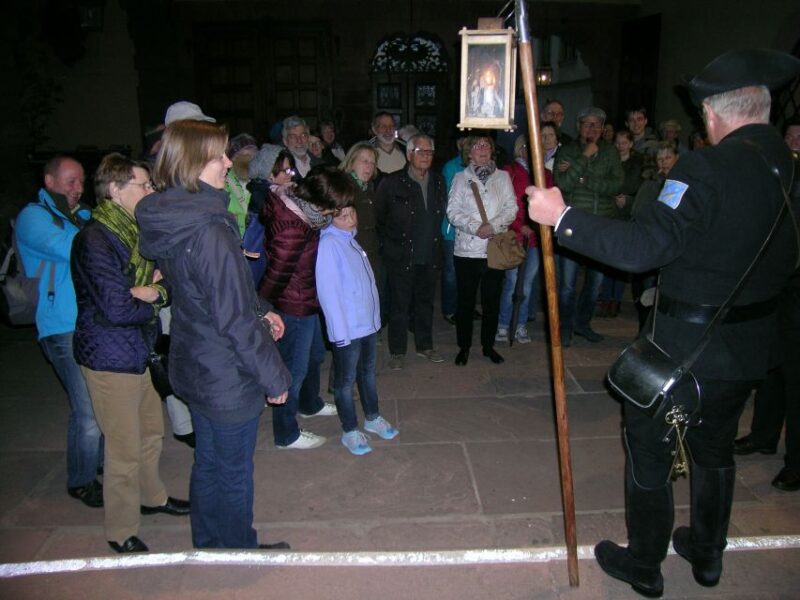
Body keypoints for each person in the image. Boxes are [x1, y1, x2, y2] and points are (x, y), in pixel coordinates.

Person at [527, 49, 800, 597]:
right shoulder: (791, 170)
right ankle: (706, 553)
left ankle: (645, 563)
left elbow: (644, 247)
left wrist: (564, 219)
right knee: (714, 449)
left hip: (683, 350)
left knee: (649, 449)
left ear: (713, 116)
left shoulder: (706, 166)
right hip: (747, 351)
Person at [136, 119, 291, 550]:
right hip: (224, 371)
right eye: (219, 155)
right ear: (193, 163)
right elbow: (234, 321)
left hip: (195, 360)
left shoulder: (178, 216)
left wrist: (263, 308)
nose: (228, 162)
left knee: (207, 462)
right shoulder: (208, 230)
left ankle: (208, 543)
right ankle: (238, 552)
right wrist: (273, 376)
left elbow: (209, 290)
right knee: (232, 470)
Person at [71, 153, 188, 554]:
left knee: (152, 433)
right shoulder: (95, 239)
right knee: (122, 449)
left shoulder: (135, 232)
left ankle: (153, 498)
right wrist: (152, 295)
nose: (152, 191)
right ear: (116, 189)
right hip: (108, 355)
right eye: (144, 184)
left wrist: (152, 292)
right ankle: (120, 531)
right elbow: (116, 307)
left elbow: (166, 281)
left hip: (138, 349)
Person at [15, 156, 104, 508]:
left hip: (90, 321)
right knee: (87, 409)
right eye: (70, 181)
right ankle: (81, 480)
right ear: (49, 181)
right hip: (60, 325)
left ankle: (95, 466)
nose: (77, 188)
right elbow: (74, 249)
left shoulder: (80, 215)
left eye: (81, 181)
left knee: (97, 403)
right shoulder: (33, 217)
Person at [733, 119, 800, 492]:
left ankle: (797, 461)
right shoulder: (777, 181)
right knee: (771, 369)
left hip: (796, 292)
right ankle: (763, 435)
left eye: (798, 139)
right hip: (776, 292)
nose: (792, 145)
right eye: (788, 138)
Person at [259, 165, 343, 450]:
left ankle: (310, 403)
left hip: (307, 297)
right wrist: (262, 307)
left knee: (315, 356)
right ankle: (286, 434)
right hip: (293, 304)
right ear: (323, 201)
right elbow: (278, 274)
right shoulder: (295, 226)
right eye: (335, 207)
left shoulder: (307, 214)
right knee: (292, 371)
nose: (336, 213)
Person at [316, 203, 400, 455]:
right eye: (343, 216)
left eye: (352, 213)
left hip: (366, 325)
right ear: (330, 219)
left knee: (368, 374)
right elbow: (329, 293)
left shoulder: (351, 240)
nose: (351, 219)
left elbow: (366, 283)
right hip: (348, 330)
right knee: (345, 382)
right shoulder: (330, 245)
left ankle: (372, 417)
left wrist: (375, 318)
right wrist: (339, 333)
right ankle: (350, 429)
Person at [553, 106, 623, 346]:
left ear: (603, 129)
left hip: (600, 226)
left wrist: (583, 177)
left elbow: (615, 186)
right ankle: (564, 328)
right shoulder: (569, 150)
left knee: (595, 285)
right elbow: (563, 183)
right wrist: (584, 157)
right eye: (586, 124)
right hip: (573, 224)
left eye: (596, 125)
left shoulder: (611, 153)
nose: (591, 129)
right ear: (578, 126)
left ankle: (583, 323)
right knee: (567, 285)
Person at [375, 134, 446, 370]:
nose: (426, 156)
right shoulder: (392, 183)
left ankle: (425, 345)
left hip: (429, 253)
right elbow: (380, 218)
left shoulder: (438, 181)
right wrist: (389, 247)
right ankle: (397, 350)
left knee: (425, 303)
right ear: (409, 154)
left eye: (429, 152)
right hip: (401, 255)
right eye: (421, 151)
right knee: (400, 305)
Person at [447, 134, 517, 366]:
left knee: (492, 301)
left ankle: (488, 346)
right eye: (477, 146)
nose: (483, 149)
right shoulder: (460, 178)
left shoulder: (503, 177)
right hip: (467, 250)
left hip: (494, 250)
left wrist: (492, 226)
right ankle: (464, 347)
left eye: (486, 145)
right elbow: (453, 211)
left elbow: (511, 208)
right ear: (469, 153)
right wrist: (477, 227)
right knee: (465, 302)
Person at [495, 134, 543, 344]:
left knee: (527, 284)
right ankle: (504, 324)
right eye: (526, 146)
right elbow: (504, 203)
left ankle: (520, 324)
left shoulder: (543, 172)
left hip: (535, 238)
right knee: (512, 282)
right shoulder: (509, 171)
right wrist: (518, 226)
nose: (530, 150)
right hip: (514, 236)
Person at [597, 128, 644, 319]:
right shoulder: (610, 161)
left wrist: (626, 198)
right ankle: (606, 298)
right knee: (608, 259)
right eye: (618, 143)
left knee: (621, 261)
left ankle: (616, 300)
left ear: (631, 144)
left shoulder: (637, 163)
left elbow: (637, 187)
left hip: (627, 214)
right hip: (611, 212)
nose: (621, 146)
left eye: (624, 143)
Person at [338, 142, 385, 322]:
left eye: (372, 162)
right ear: (351, 162)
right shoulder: (344, 189)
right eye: (364, 161)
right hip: (352, 254)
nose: (369, 166)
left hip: (370, 252)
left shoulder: (369, 188)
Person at [245, 144, 296, 288]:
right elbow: (254, 252)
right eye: (285, 170)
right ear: (269, 173)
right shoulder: (262, 199)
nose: (290, 174)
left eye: (291, 169)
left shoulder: (279, 193)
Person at [440, 132, 469, 325]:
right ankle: (450, 309)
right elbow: (450, 198)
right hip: (453, 228)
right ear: (459, 144)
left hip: (472, 229)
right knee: (451, 271)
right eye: (466, 141)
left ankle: (466, 307)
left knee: (469, 270)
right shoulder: (451, 167)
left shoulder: (479, 166)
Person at [224, 133, 259, 237]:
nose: (250, 160)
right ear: (233, 158)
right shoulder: (222, 185)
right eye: (244, 156)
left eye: (254, 155)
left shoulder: (262, 183)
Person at [370, 112, 406, 176]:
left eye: (391, 126)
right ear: (374, 129)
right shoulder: (365, 151)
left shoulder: (406, 149)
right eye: (383, 126)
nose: (388, 130)